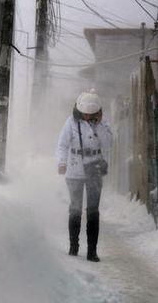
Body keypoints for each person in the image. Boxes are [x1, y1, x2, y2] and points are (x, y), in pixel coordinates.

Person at [56, 89, 113, 262]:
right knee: (75, 208)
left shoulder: (102, 124)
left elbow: (108, 144)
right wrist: (61, 162)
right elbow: (62, 145)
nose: (88, 117)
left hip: (94, 169)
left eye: (92, 114)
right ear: (79, 110)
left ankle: (92, 251)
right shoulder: (70, 123)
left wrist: (100, 125)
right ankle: (74, 246)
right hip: (74, 170)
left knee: (93, 211)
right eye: (85, 114)